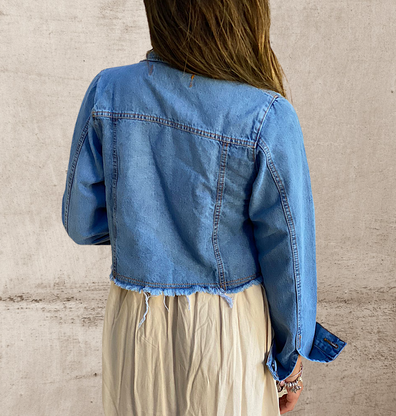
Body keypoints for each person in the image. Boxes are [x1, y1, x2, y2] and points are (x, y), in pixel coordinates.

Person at [61, 0, 347, 414]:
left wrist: (149, 232)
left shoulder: (109, 92)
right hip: (226, 328)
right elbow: (289, 259)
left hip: (133, 321)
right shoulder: (265, 115)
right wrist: (290, 362)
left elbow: (81, 222)